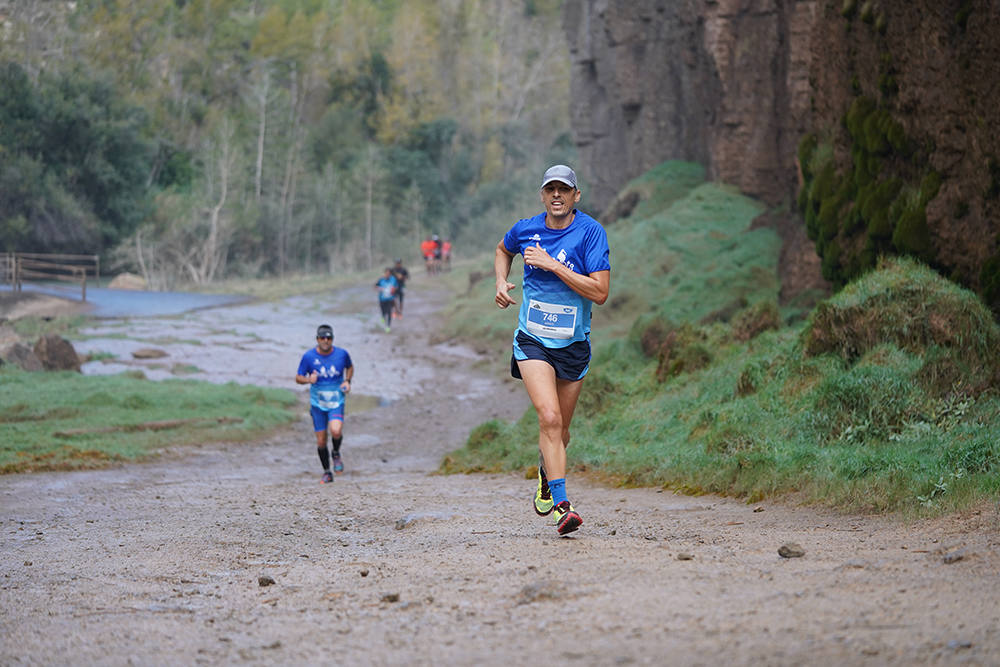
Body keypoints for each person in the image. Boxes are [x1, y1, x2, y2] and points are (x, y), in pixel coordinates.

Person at [494, 164, 610, 536]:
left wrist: (551, 265)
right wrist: (501, 280)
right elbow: (502, 248)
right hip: (532, 339)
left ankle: (547, 474)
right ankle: (563, 506)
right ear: (542, 195)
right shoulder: (526, 228)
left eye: (564, 189)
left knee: (561, 433)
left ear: (576, 196)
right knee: (549, 419)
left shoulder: (590, 233)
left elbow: (600, 293)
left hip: (574, 344)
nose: (556, 195)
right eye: (550, 189)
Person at [295, 324, 354, 483]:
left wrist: (347, 381)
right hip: (317, 405)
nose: (326, 341)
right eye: (323, 338)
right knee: (321, 441)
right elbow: (298, 377)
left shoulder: (342, 354)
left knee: (335, 431)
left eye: (329, 338)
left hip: (336, 401)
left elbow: (350, 367)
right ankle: (327, 472)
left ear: (332, 339)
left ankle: (335, 452)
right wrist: (308, 379)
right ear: (317, 339)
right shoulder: (308, 357)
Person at [374, 266, 398, 332]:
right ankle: (383, 316)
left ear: (390, 274)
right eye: (386, 273)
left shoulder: (393, 279)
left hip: (390, 299)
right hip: (382, 299)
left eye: (388, 273)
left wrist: (394, 289)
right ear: (384, 273)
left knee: (389, 312)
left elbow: (396, 286)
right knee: (384, 312)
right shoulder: (381, 280)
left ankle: (388, 326)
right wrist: (379, 288)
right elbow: (375, 286)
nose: (387, 274)